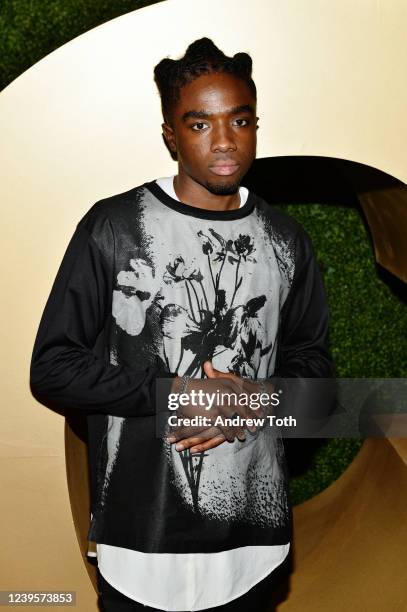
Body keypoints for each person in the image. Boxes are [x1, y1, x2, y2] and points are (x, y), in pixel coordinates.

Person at [30, 37, 334, 611]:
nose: (224, 141)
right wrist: (174, 394)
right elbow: (52, 368)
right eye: (199, 124)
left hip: (254, 543)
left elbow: (317, 379)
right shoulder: (114, 227)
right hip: (141, 539)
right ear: (170, 135)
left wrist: (251, 402)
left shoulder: (287, 240)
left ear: (254, 125)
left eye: (239, 120)